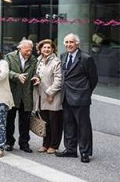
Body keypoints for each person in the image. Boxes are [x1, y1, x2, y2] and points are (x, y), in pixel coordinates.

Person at [56, 33, 98, 163]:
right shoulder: (63, 56)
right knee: (68, 124)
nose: (69, 45)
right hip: (66, 96)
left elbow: (93, 79)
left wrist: (85, 92)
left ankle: (85, 152)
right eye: (67, 42)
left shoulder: (86, 58)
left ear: (77, 44)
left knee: (83, 126)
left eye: (71, 42)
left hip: (81, 97)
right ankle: (70, 150)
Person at [4, 39, 37, 153]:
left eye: (31, 50)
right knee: (9, 120)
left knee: (25, 121)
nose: (29, 52)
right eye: (27, 50)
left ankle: (24, 143)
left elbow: (37, 72)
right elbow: (4, 72)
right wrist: (16, 75)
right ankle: (9, 142)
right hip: (13, 94)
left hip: (26, 95)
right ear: (20, 49)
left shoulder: (33, 59)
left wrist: (37, 77)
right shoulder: (9, 57)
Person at [31, 39, 63, 154]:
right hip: (40, 95)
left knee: (54, 122)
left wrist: (50, 93)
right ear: (40, 49)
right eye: (44, 47)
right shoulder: (38, 60)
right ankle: (45, 144)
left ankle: (54, 145)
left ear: (53, 49)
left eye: (49, 47)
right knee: (45, 122)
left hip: (52, 96)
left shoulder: (56, 62)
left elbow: (59, 80)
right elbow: (37, 74)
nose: (46, 49)